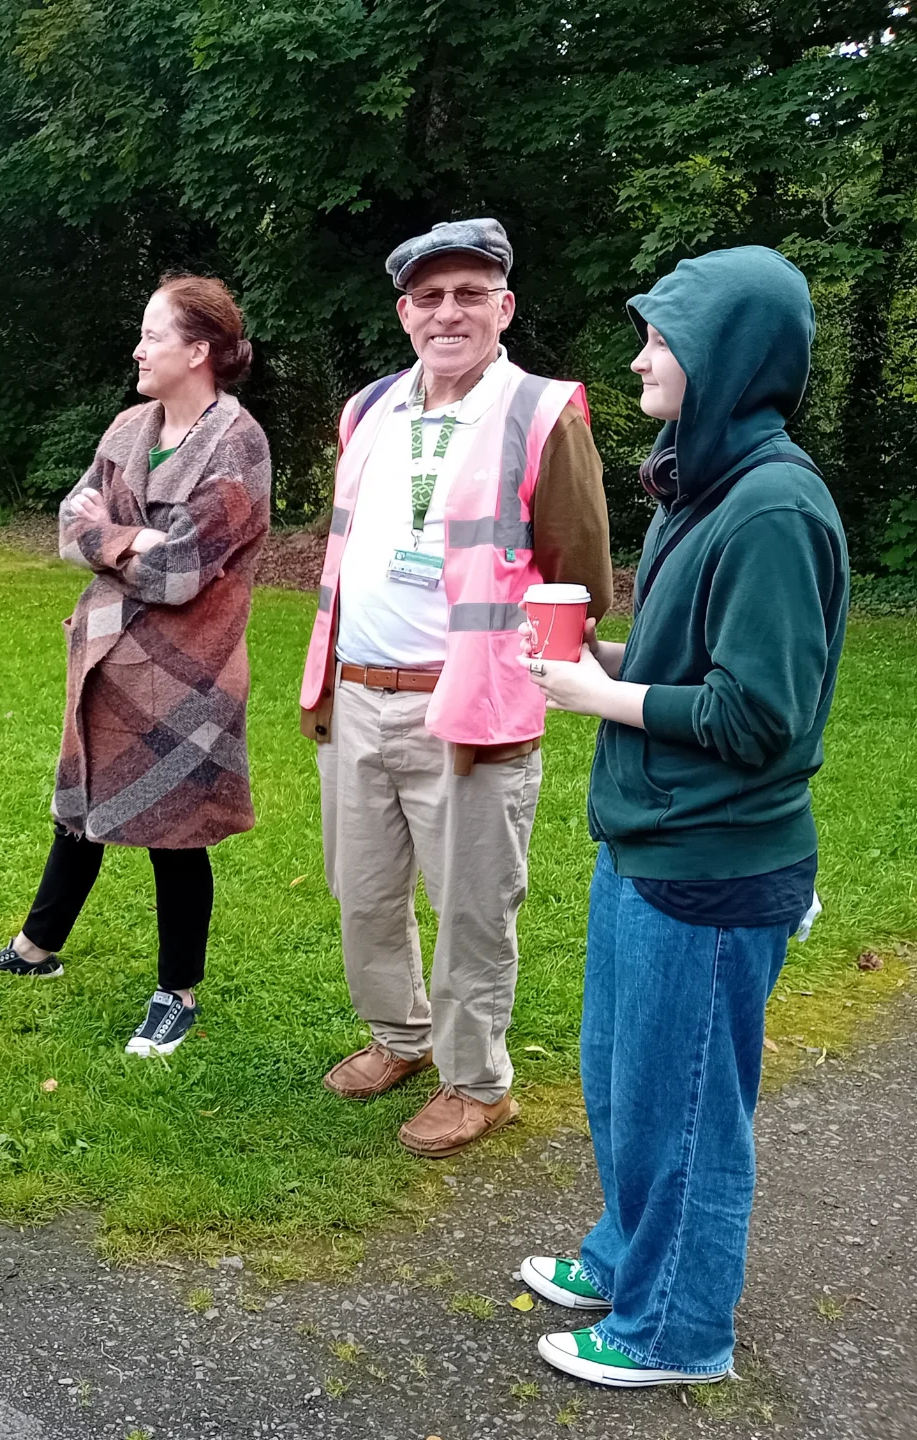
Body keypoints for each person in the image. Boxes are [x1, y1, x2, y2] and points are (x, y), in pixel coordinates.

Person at [521, 247, 847, 1388]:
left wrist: (602, 696)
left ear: (723, 354)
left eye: (659, 337)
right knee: (624, 1081)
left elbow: (764, 714)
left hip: (715, 861)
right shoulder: (698, 485)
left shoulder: (773, 507)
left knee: (691, 1108)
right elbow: (689, 668)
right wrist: (596, 656)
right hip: (650, 843)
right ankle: (625, 1256)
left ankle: (677, 1331)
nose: (638, 356)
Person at [300, 219, 613, 1157]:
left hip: (472, 706)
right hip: (359, 691)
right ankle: (400, 1036)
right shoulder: (367, 412)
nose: (449, 313)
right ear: (404, 314)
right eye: (429, 297)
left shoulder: (543, 412)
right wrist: (327, 685)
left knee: (474, 903)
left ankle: (478, 1082)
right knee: (361, 890)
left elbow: (577, 576)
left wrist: (538, 681)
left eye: (470, 294)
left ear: (503, 307)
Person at [0, 274, 270, 1057]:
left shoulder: (237, 444)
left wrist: (117, 539)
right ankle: (36, 949)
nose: (138, 347)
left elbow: (183, 573)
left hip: (189, 675)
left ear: (199, 350)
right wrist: (133, 540)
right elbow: (69, 526)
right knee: (81, 808)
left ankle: (177, 992)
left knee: (177, 831)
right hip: (104, 659)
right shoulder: (130, 428)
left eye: (153, 334)